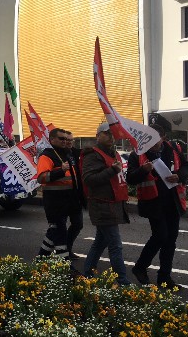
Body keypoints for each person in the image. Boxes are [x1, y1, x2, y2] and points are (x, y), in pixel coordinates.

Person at [127, 124, 188, 289]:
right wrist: (143, 170)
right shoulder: (138, 154)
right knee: (160, 236)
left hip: (173, 201)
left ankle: (165, 277)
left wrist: (180, 175)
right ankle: (140, 267)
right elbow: (131, 179)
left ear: (163, 138)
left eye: (157, 140)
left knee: (170, 240)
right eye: (150, 139)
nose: (154, 144)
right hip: (153, 203)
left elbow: (187, 167)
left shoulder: (173, 149)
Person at [81, 123, 131, 286]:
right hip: (102, 206)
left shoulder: (114, 153)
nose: (110, 136)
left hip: (112, 205)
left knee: (100, 242)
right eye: (106, 133)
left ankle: (88, 272)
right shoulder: (92, 154)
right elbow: (89, 179)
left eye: (112, 133)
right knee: (115, 246)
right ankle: (122, 281)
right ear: (97, 136)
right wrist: (112, 171)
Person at [36, 128, 82, 261]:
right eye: (61, 139)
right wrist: (60, 171)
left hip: (69, 201)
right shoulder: (47, 156)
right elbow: (42, 178)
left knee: (54, 232)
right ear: (52, 140)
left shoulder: (67, 154)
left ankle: (40, 259)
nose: (65, 141)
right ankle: (65, 266)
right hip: (55, 203)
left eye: (67, 139)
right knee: (60, 234)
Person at [65, 130, 85, 260]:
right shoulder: (56, 154)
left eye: (71, 140)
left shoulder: (75, 153)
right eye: (67, 140)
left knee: (78, 224)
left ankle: (67, 248)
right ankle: (59, 252)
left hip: (75, 196)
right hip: (61, 197)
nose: (69, 142)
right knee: (56, 228)